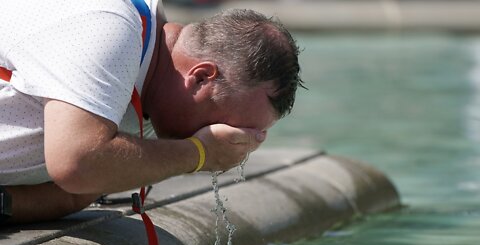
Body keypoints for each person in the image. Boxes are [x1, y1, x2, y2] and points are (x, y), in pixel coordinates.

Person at [0, 0, 302, 224]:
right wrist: (199, 153)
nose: (225, 139)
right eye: (225, 126)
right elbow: (77, 163)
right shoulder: (110, 26)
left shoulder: (147, 90)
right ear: (200, 77)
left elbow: (74, 193)